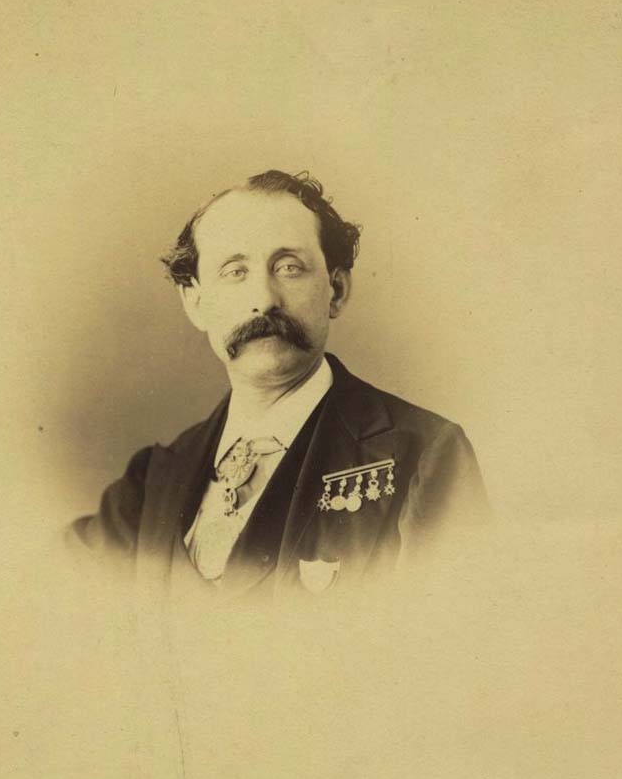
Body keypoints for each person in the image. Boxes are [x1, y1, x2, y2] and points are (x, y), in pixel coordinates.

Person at [69, 170, 487, 600]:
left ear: (336, 290)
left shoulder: (424, 456)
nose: (264, 300)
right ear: (195, 302)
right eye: (235, 271)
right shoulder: (151, 484)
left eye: (289, 268)